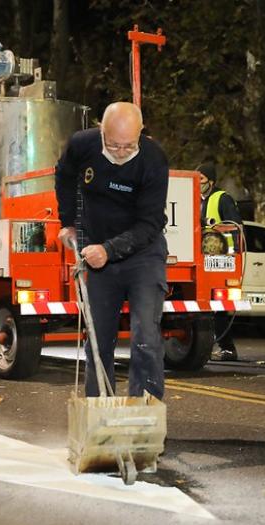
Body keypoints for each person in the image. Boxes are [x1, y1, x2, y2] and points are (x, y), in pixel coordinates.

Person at [55, 102, 169, 399]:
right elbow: (64, 175)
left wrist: (109, 249)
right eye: (114, 145)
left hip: (143, 255)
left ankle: (144, 417)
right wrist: (67, 221)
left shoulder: (153, 160)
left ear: (141, 134)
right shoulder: (82, 145)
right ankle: (99, 416)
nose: (120, 152)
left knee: (145, 338)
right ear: (101, 131)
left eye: (128, 146)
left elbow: (150, 223)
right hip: (100, 257)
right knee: (97, 340)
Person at [198, 161, 240, 361]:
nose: (198, 183)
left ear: (211, 181)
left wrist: (235, 256)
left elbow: (235, 227)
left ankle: (228, 348)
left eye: (202, 179)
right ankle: (221, 346)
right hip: (205, 258)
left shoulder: (222, 199)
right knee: (207, 305)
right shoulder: (198, 200)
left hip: (223, 258)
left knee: (220, 305)